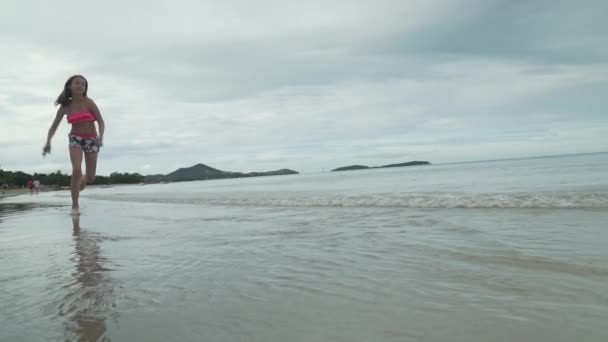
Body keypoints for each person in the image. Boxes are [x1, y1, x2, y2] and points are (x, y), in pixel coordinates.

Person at [42, 75, 105, 215]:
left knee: (90, 177)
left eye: (83, 84)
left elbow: (100, 121)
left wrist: (101, 137)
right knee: (76, 169)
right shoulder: (65, 106)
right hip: (75, 138)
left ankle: (80, 182)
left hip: (92, 139)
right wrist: (48, 141)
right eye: (77, 83)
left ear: (85, 88)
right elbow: (54, 126)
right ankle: (75, 205)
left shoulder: (89, 102)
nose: (80, 86)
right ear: (70, 86)